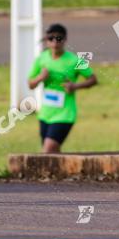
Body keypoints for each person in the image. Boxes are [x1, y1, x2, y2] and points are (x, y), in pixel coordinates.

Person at [27, 24, 98, 153]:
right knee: (54, 153)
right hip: (45, 114)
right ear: (46, 40)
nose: (54, 42)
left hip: (65, 114)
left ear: (65, 40)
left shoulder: (76, 59)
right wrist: (40, 78)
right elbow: (30, 84)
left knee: (47, 150)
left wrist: (75, 86)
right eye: (51, 38)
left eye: (58, 38)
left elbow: (93, 79)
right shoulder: (41, 59)